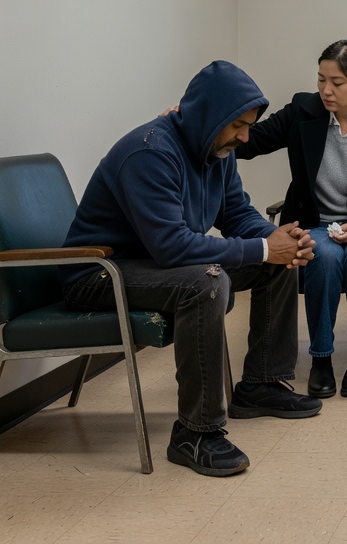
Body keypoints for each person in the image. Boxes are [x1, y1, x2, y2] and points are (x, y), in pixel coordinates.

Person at [61, 61, 322, 478]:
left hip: (150, 264)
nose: (245, 136)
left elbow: (237, 214)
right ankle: (195, 433)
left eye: (249, 125)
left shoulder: (215, 150)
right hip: (97, 273)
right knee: (205, 283)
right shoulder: (149, 152)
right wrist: (261, 247)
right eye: (237, 125)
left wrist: (280, 241)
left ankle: (261, 386)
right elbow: (171, 246)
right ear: (208, 115)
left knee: (277, 263)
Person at [236, 39, 347, 400]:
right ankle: (321, 359)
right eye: (321, 80)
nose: (326, 91)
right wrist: (193, 125)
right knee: (325, 255)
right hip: (315, 223)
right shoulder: (304, 110)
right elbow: (249, 142)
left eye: (337, 82)